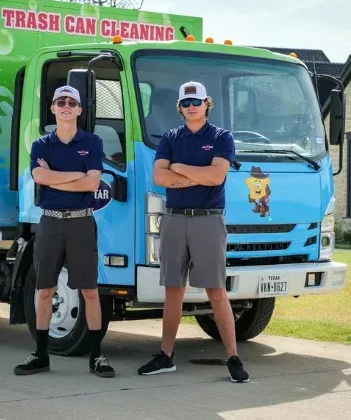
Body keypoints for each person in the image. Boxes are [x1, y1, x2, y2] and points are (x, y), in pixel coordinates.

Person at [137, 81, 250, 383]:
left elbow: (216, 176)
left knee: (216, 290)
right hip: (174, 220)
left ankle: (233, 358)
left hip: (208, 221)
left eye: (196, 102)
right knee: (173, 290)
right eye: (185, 104)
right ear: (180, 107)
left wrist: (181, 168)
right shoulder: (170, 138)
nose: (191, 108)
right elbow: (160, 177)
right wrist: (196, 176)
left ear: (206, 104)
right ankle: (165, 356)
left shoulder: (221, 137)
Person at [14, 85, 115, 378]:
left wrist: (55, 179)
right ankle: (41, 355)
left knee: (90, 291)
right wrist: (77, 177)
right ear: (53, 108)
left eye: (72, 102)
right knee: (44, 289)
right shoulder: (41, 145)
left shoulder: (93, 142)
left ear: (80, 110)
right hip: (50, 222)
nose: (67, 105)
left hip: (82, 221)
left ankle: (96, 356)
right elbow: (38, 176)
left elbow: (92, 184)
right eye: (61, 101)